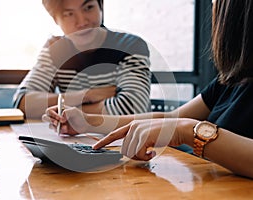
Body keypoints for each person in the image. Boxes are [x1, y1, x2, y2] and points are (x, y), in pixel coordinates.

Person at [44, 0, 253, 179]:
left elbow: (179, 124)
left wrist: (189, 131)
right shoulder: (231, 80)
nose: (212, 7)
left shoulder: (128, 45)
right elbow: (172, 117)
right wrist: (88, 121)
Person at [13, 0, 151, 119]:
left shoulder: (130, 46)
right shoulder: (55, 49)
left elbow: (132, 109)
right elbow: (23, 103)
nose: (82, 22)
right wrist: (86, 96)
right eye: (69, 14)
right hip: (73, 143)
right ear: (55, 19)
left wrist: (64, 112)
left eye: (88, 8)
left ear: (100, 6)